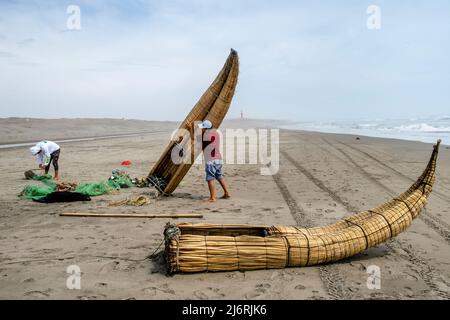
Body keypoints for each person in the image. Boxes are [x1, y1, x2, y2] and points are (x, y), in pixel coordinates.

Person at [187, 120, 230, 202]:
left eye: (203, 128)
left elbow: (194, 140)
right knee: (219, 176)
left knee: (210, 178)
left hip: (211, 160)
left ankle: (212, 198)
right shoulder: (216, 133)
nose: (201, 129)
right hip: (218, 159)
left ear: (206, 128)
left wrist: (190, 129)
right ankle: (227, 193)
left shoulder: (206, 136)